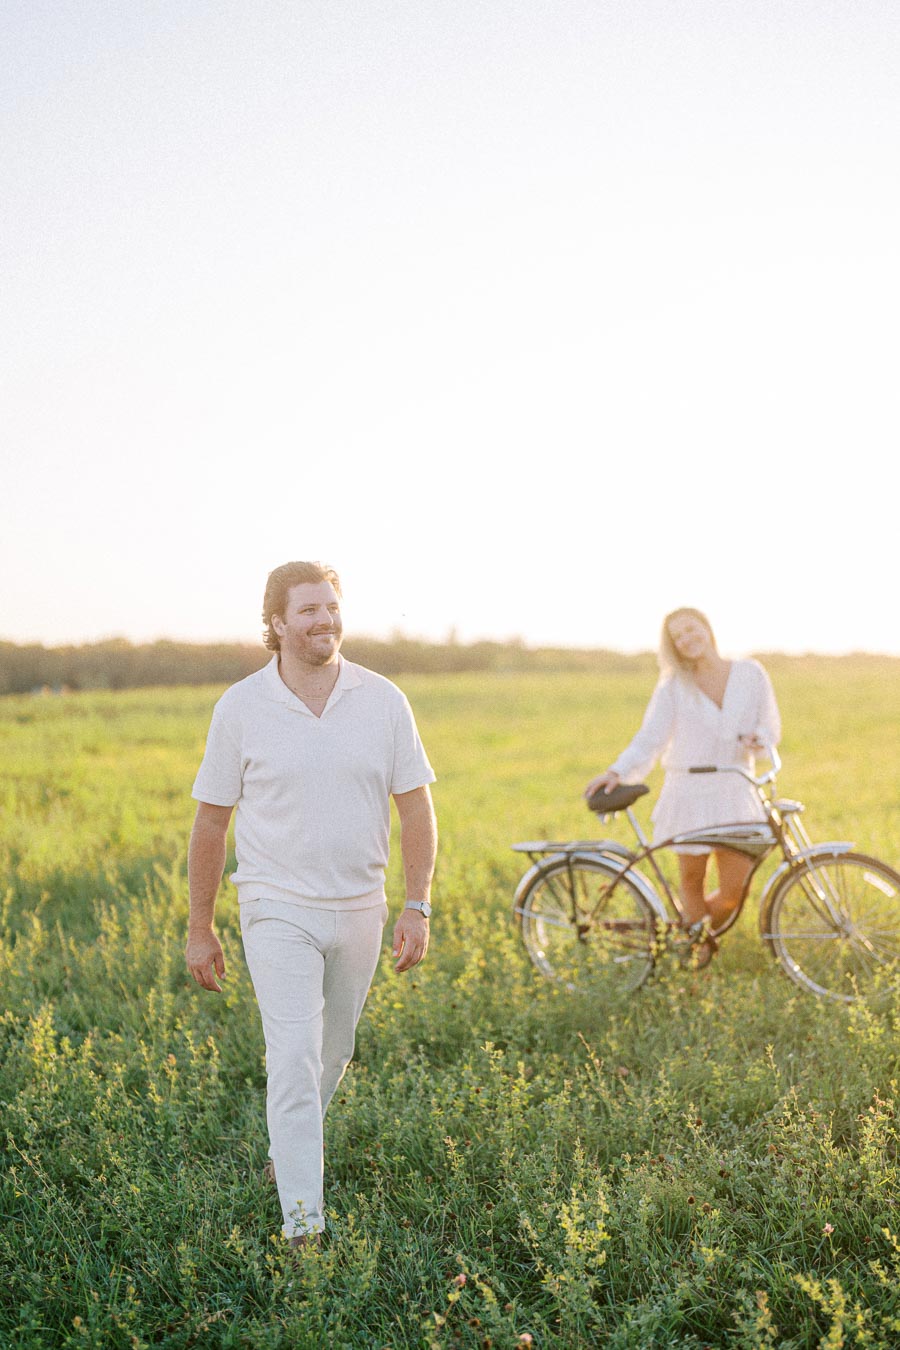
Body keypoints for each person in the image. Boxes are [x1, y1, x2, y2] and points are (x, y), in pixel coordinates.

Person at [185, 560, 437, 1247]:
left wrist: (418, 905)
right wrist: (200, 927)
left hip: (360, 905)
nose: (324, 620)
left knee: (334, 1050)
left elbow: (416, 808)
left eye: (331, 607)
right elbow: (211, 823)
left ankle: (286, 1147)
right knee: (292, 1053)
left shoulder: (383, 699)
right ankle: (304, 1227)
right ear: (276, 623)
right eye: (308, 611)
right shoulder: (240, 707)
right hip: (275, 904)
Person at [584, 607, 781, 952]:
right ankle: (696, 956)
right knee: (692, 880)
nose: (687, 639)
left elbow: (770, 726)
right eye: (678, 636)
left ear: (707, 626)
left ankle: (687, 938)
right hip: (688, 791)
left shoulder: (750, 673)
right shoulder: (674, 685)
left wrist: (759, 738)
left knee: (735, 891)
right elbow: (651, 739)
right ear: (673, 646)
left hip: (736, 789)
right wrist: (617, 772)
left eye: (691, 629)